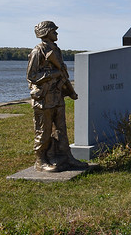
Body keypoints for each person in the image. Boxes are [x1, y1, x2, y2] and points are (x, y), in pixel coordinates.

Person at [27, 21, 88, 172]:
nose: (56, 33)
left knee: (61, 129)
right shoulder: (38, 51)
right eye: (54, 31)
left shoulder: (57, 50)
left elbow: (63, 73)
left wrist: (68, 87)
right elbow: (32, 75)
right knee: (44, 130)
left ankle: (65, 156)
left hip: (57, 96)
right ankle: (40, 160)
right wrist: (52, 74)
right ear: (45, 32)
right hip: (44, 98)